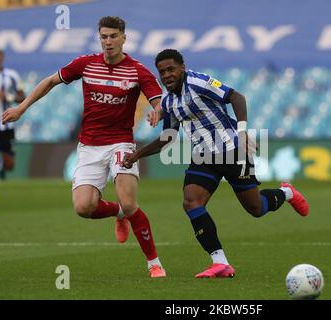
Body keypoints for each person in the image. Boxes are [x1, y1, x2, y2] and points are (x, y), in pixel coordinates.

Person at [122, 49, 309, 278]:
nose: (167, 75)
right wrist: (136, 155)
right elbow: (167, 137)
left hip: (232, 151)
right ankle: (220, 262)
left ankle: (286, 193)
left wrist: (241, 132)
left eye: (171, 69)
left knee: (256, 208)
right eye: (162, 72)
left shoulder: (199, 82)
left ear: (182, 68)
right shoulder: (169, 101)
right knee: (191, 202)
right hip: (203, 158)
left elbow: (236, 97)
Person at [2, 16, 166, 278]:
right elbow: (50, 81)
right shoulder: (86, 64)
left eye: (113, 36)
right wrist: (22, 108)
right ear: (99, 38)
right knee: (83, 208)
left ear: (124, 37)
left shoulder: (137, 70)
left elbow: (158, 100)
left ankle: (154, 262)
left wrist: (157, 111)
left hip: (121, 143)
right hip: (89, 146)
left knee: (130, 201)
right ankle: (119, 214)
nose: (108, 41)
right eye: (104, 36)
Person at [0, 47, 25, 209]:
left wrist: (8, 97)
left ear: (2, 58)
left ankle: (2, 166)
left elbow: (21, 98)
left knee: (10, 165)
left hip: (6, 126)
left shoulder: (11, 76)